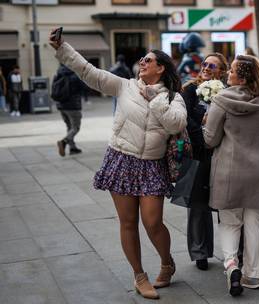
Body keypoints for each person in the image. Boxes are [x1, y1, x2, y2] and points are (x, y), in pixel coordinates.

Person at [49, 29, 187, 300]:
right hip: (122, 159)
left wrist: (154, 98)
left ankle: (167, 263)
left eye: (148, 60)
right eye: (142, 60)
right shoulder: (124, 86)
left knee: (153, 222)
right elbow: (89, 72)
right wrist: (62, 47)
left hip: (151, 165)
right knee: (128, 222)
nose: (142, 63)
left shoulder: (173, 97)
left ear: (161, 68)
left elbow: (176, 123)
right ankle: (139, 275)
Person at [203, 55, 259, 296]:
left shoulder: (221, 99)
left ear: (242, 77)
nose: (228, 75)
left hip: (229, 172)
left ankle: (231, 265)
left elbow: (210, 139)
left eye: (232, 71)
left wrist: (205, 123)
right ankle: (253, 275)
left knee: (230, 222)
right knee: (257, 223)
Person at [181, 53, 228, 271]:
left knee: (225, 204)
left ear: (222, 71)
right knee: (197, 205)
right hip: (198, 152)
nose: (207, 67)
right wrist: (203, 132)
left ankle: (232, 251)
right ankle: (200, 252)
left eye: (213, 65)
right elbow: (185, 117)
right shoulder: (190, 89)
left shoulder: (227, 91)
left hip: (221, 152)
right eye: (205, 64)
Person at [53, 64, 85, 156]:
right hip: (73, 106)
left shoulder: (57, 75)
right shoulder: (75, 76)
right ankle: (63, 142)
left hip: (61, 106)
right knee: (75, 128)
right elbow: (84, 87)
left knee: (69, 127)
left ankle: (72, 148)